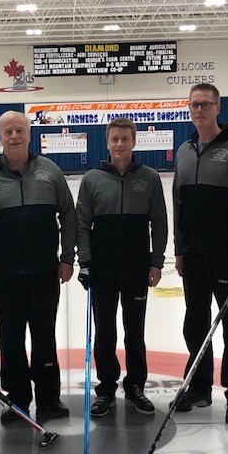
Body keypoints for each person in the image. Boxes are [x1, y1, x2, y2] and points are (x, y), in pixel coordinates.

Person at [0, 110, 75, 424]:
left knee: (44, 336)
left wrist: (66, 258)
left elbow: (68, 214)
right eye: (8, 132)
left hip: (44, 273)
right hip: (4, 276)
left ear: (29, 134)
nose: (14, 136)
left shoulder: (49, 171)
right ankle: (16, 401)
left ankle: (49, 399)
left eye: (20, 130)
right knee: (11, 340)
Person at [173, 83, 228, 425]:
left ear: (218, 108)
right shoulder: (184, 150)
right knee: (195, 324)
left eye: (205, 105)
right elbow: (179, 204)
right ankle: (198, 387)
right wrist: (180, 249)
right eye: (194, 105)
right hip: (194, 255)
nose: (199, 111)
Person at [76, 117, 168, 417]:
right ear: (107, 142)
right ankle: (105, 389)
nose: (119, 144)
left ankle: (135, 386)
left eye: (124, 139)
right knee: (104, 332)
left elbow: (160, 223)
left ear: (134, 142)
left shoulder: (150, 177)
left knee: (135, 332)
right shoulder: (91, 179)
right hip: (102, 271)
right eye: (114, 139)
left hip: (136, 270)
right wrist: (85, 261)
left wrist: (156, 261)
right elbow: (81, 224)